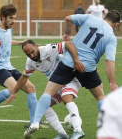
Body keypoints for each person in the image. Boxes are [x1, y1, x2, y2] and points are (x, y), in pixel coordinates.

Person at [23, 10, 120, 139]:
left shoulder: (90, 18)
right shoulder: (111, 37)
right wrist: (112, 83)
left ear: (104, 17)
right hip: (87, 69)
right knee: (100, 97)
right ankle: (110, 130)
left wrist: (67, 34)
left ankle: (35, 122)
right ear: (116, 25)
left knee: (48, 92)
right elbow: (109, 61)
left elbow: (68, 18)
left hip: (68, 62)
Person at [0, 4, 48, 129]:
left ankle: (34, 121)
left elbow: (8, 42)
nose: (14, 21)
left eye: (15, 18)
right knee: (13, 88)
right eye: (11, 18)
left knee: (31, 88)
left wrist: (21, 42)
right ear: (3, 17)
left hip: (9, 67)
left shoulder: (8, 30)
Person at [5, 39, 85, 139]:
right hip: (56, 85)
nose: (32, 56)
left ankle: (78, 130)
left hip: (70, 79)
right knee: (44, 107)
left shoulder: (48, 49)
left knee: (66, 98)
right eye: (28, 54)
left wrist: (76, 60)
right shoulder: (30, 62)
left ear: (37, 46)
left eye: (32, 52)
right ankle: (62, 134)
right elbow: (24, 77)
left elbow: (68, 44)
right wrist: (14, 91)